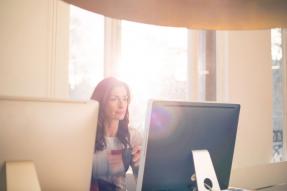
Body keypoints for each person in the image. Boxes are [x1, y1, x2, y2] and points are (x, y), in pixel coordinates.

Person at [90, 77, 142, 191]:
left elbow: (143, 183)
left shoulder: (133, 136)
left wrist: (142, 165)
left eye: (125, 99)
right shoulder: (87, 136)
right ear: (101, 102)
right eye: (114, 99)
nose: (122, 105)